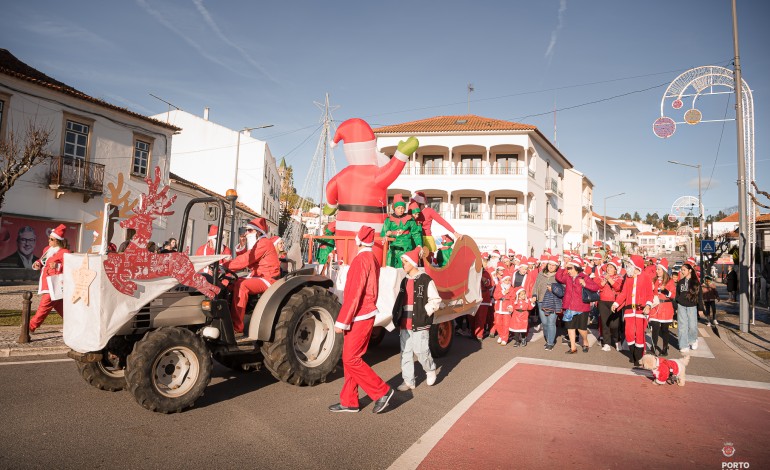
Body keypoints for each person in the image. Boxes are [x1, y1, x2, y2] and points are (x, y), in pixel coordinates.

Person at [325, 118, 414, 263]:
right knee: (372, 263)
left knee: (345, 261)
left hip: (344, 228)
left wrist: (331, 206)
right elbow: (391, 171)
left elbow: (330, 187)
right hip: (374, 229)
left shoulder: (343, 174)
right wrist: (401, 155)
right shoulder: (376, 174)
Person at [329, 226, 394, 414]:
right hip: (364, 314)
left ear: (358, 241)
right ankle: (349, 401)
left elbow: (354, 295)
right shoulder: (372, 258)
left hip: (359, 315)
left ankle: (382, 391)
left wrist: (341, 321)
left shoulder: (360, 260)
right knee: (352, 358)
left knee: (350, 358)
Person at [391, 247, 441, 391]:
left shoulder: (426, 280)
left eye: (405, 262)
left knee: (421, 350)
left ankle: (430, 369)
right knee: (405, 352)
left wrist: (425, 313)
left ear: (413, 263)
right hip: (404, 323)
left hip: (420, 322)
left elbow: (435, 300)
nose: (403, 264)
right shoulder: (404, 281)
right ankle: (408, 381)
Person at [221, 217, 280, 334]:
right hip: (258, 276)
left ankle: (237, 327)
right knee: (229, 283)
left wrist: (224, 265)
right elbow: (248, 256)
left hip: (267, 278)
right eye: (246, 230)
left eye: (250, 231)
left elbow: (246, 260)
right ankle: (225, 318)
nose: (246, 233)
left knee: (242, 285)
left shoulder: (264, 243)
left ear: (258, 232)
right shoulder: (259, 243)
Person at [612, 255, 654, 367]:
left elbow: (650, 294)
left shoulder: (645, 277)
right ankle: (634, 354)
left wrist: (648, 305)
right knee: (629, 333)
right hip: (629, 310)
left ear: (636, 266)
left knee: (639, 334)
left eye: (630, 264)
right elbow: (624, 293)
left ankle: (638, 358)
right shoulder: (628, 277)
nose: (628, 266)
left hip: (641, 310)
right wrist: (616, 303)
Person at [29, 224, 70, 332]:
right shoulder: (47, 249)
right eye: (49, 238)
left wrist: (58, 266)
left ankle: (30, 326)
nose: (49, 240)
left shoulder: (64, 252)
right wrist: (37, 264)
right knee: (60, 307)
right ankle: (75, 324)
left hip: (54, 283)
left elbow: (69, 267)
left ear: (57, 240)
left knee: (44, 306)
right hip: (46, 282)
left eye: (51, 239)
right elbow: (41, 261)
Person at [556, 256, 600, 354]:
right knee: (570, 327)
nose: (568, 271)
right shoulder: (567, 277)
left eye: (570, 268)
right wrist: (563, 266)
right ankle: (573, 348)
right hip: (569, 307)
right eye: (568, 268)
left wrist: (585, 284)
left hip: (582, 307)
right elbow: (558, 277)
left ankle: (585, 341)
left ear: (576, 268)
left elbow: (596, 287)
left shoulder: (584, 277)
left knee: (581, 329)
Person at [410, 191, 461, 255]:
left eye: (415, 203)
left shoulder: (429, 211)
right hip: (415, 238)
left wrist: (454, 232)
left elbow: (442, 222)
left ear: (419, 203)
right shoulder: (412, 211)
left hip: (427, 239)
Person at [381, 194, 421, 268]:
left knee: (404, 270)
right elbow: (383, 233)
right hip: (393, 248)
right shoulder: (388, 220)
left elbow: (416, 233)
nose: (401, 210)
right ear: (394, 208)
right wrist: (388, 234)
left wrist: (419, 244)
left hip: (406, 248)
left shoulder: (410, 219)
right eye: (398, 208)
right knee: (390, 269)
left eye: (402, 208)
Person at [533, 255, 561, 350]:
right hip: (541, 301)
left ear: (557, 266)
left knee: (551, 322)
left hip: (553, 302)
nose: (551, 267)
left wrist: (553, 289)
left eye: (553, 265)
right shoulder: (541, 273)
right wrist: (534, 295)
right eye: (550, 264)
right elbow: (536, 285)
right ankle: (548, 338)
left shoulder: (559, 276)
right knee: (544, 323)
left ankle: (550, 342)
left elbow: (563, 288)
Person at [675, 261, 704, 353]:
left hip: (692, 306)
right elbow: (677, 295)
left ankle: (693, 340)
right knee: (682, 326)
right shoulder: (680, 282)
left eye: (684, 270)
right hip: (681, 306)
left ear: (690, 270)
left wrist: (700, 308)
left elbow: (700, 296)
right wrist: (676, 306)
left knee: (692, 326)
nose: (682, 272)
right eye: (681, 270)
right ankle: (683, 345)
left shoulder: (696, 283)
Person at [649, 259, 676, 356]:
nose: (657, 271)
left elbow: (673, 295)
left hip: (666, 307)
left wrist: (665, 291)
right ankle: (653, 347)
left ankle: (665, 349)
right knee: (655, 329)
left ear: (664, 270)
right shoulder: (654, 280)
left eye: (659, 269)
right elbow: (651, 293)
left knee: (664, 330)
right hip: (656, 307)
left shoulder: (670, 281)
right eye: (656, 269)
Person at [597, 257, 623, 352]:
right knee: (605, 323)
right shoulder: (602, 276)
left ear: (615, 269)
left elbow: (618, 288)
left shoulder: (619, 277)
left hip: (614, 302)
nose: (608, 269)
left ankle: (617, 340)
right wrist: (604, 280)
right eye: (608, 267)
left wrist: (610, 280)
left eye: (611, 267)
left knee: (615, 324)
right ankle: (606, 343)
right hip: (602, 302)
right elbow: (598, 286)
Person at [492, 275, 513, 345]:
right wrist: (503, 293)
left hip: (507, 308)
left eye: (508, 280)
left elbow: (512, 298)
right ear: (503, 280)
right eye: (506, 280)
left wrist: (511, 306)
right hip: (498, 308)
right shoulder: (498, 287)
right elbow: (495, 296)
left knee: (506, 324)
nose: (507, 282)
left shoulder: (511, 288)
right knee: (498, 323)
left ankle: (505, 338)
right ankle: (501, 335)